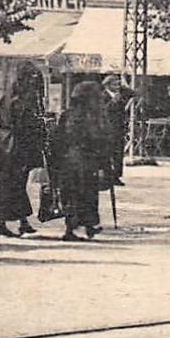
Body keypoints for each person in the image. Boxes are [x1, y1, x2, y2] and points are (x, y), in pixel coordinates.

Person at [0, 65, 46, 238]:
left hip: (2, 143)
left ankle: (18, 221)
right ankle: (7, 223)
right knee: (16, 183)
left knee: (6, 184)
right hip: (15, 145)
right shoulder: (24, 100)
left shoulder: (7, 97)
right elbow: (27, 125)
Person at [55, 81, 110, 241]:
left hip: (68, 159)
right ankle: (85, 226)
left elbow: (59, 138)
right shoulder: (92, 117)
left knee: (71, 194)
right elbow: (98, 139)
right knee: (87, 194)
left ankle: (75, 227)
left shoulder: (67, 114)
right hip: (86, 159)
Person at [101, 75, 134, 186]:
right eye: (114, 84)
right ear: (107, 85)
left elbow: (132, 93)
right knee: (107, 154)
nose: (117, 87)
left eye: (118, 84)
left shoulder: (120, 95)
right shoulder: (103, 96)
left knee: (118, 154)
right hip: (107, 129)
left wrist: (123, 86)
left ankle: (116, 176)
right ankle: (108, 176)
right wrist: (113, 102)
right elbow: (104, 111)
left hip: (118, 129)